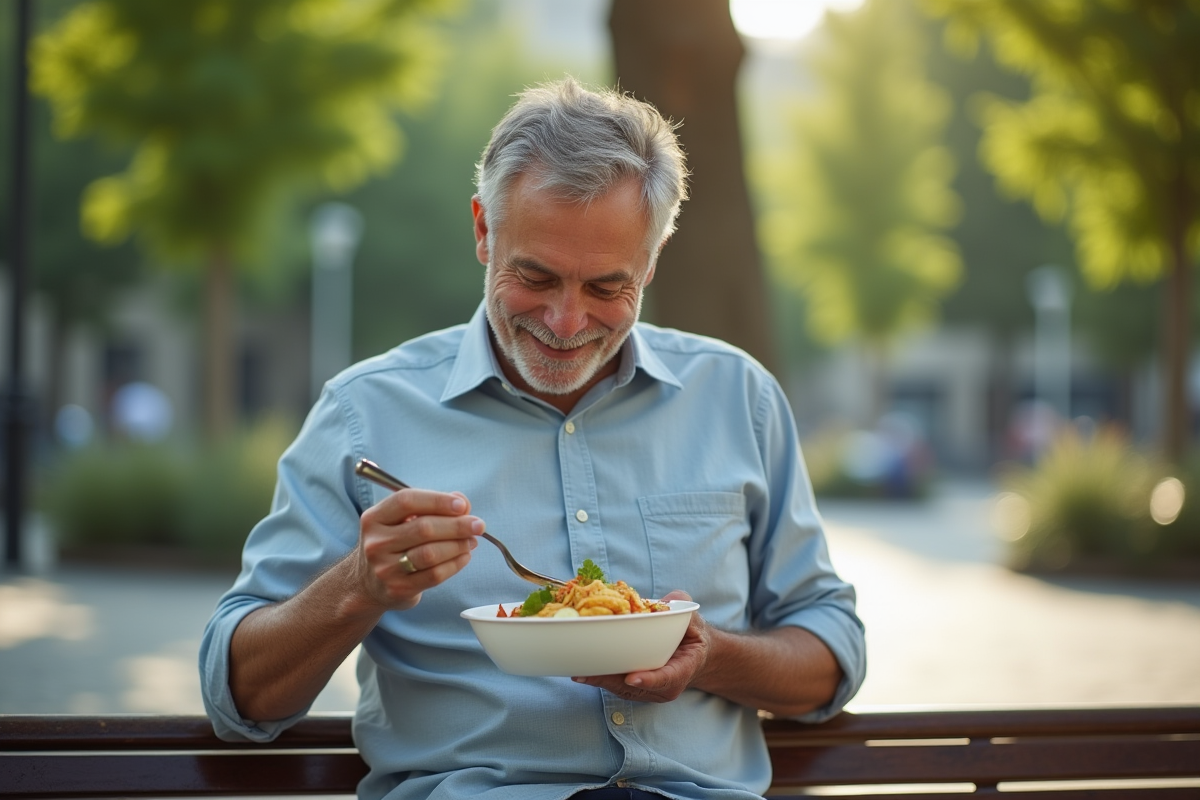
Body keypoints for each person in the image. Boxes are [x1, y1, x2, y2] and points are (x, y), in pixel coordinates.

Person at [200, 76, 866, 800]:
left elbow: (830, 650)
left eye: (608, 288)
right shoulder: (366, 412)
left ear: (652, 259)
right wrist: (358, 587)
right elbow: (240, 699)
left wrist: (707, 656)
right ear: (484, 230)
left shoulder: (739, 398)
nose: (566, 321)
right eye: (536, 276)